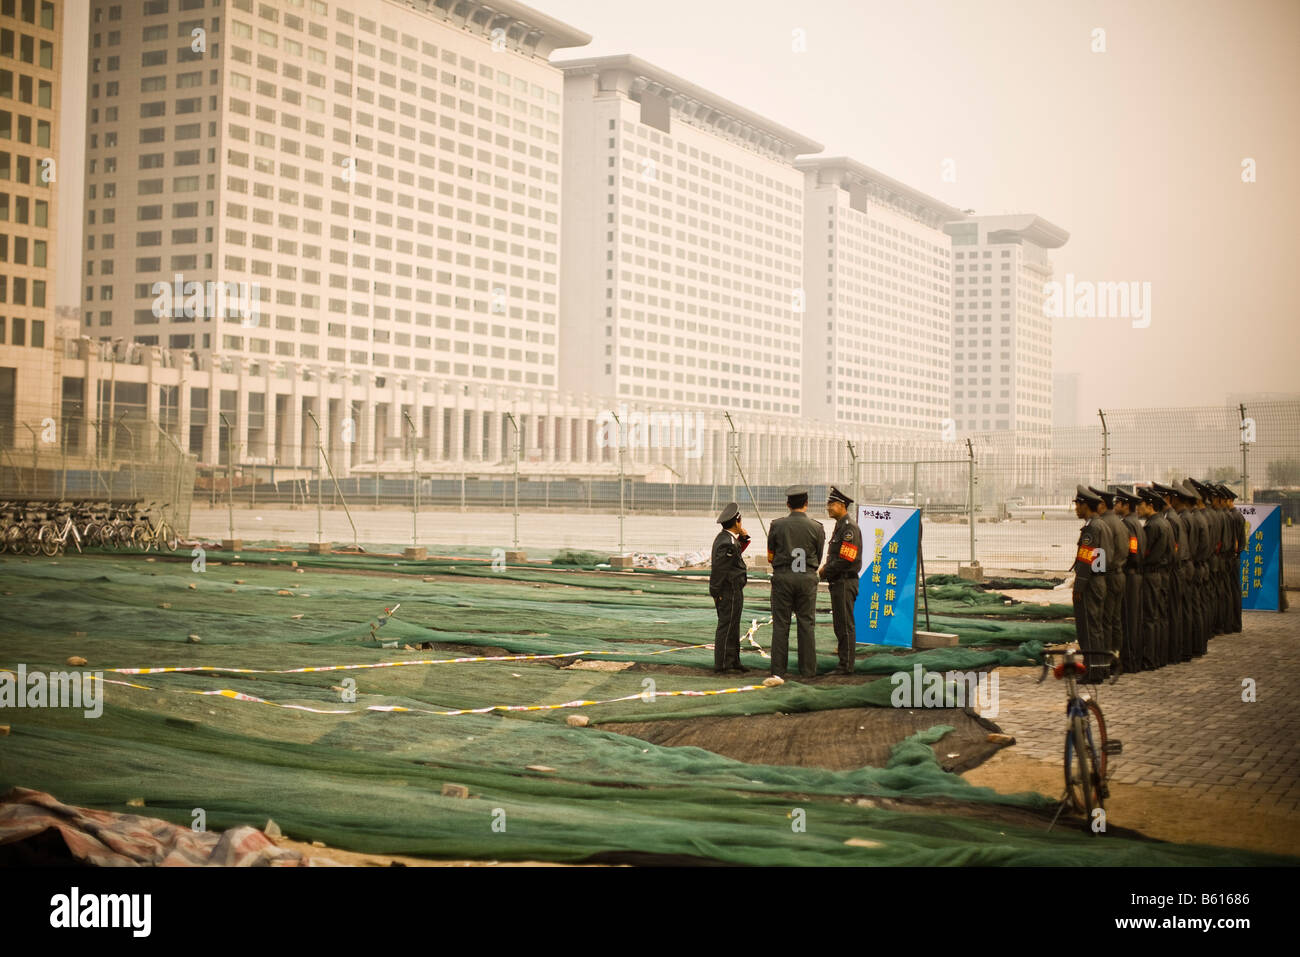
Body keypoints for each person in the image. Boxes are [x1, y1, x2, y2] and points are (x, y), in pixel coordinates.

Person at [767, 485, 825, 680]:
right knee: (806, 624)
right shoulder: (817, 527)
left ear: (787, 504)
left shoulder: (777, 525)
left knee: (781, 625)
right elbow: (819, 554)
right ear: (806, 504)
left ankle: (777, 670)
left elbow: (770, 556)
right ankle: (808, 670)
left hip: (783, 578)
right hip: (806, 579)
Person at [818, 486, 862, 675]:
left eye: (831, 504)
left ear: (842, 505)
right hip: (839, 582)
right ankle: (844, 662)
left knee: (845, 625)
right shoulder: (841, 527)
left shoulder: (849, 529)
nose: (828, 507)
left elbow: (846, 559)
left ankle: (846, 666)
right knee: (840, 624)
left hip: (845, 582)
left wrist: (824, 571)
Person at [709, 502, 751, 675]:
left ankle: (733, 660)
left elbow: (735, 555)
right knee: (726, 626)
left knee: (733, 626)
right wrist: (716, 592)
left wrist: (744, 538)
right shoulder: (727, 542)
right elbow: (720, 570)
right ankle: (723, 664)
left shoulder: (728, 540)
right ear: (737, 522)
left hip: (733, 590)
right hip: (728, 591)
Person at [1088, 486, 1127, 669]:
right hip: (1119, 574)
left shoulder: (1103, 524)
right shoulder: (1119, 522)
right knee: (1115, 620)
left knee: (1105, 621)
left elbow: (1101, 557)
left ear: (1102, 504)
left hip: (1109, 576)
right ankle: (1115, 657)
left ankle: (1105, 661)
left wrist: (1095, 574)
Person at [1072, 485, 1111, 663]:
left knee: (1089, 628)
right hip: (1098, 579)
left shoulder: (1092, 528)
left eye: (1077, 505)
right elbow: (1101, 559)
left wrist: (1079, 586)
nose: (1075, 509)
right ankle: (1099, 667)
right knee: (1096, 627)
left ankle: (1093, 669)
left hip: (1090, 583)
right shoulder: (1101, 525)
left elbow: (1087, 560)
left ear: (1085, 505)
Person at [1137, 488, 1172, 670]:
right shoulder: (1164, 523)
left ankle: (1149, 659)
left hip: (1151, 574)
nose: (1138, 508)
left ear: (1150, 505)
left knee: (1150, 618)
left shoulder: (1152, 526)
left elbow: (1145, 552)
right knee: (1159, 616)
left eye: (1140, 504)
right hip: (1162, 574)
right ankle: (1159, 657)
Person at [1113, 488, 1147, 673]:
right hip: (1138, 575)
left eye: (1118, 503)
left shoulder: (1128, 525)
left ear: (1125, 505)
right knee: (1134, 620)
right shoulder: (1137, 523)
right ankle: (1133, 659)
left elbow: (1132, 552)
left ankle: (1129, 662)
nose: (1115, 506)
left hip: (1130, 576)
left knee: (1128, 621)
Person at [1222, 484, 1245, 632]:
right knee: (1233, 590)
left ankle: (1235, 623)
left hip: (1233, 557)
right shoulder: (1234, 515)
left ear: (1229, 500)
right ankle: (1235, 623)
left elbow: (1236, 540)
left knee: (1233, 591)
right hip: (1234, 557)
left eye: (1224, 500)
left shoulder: (1235, 516)